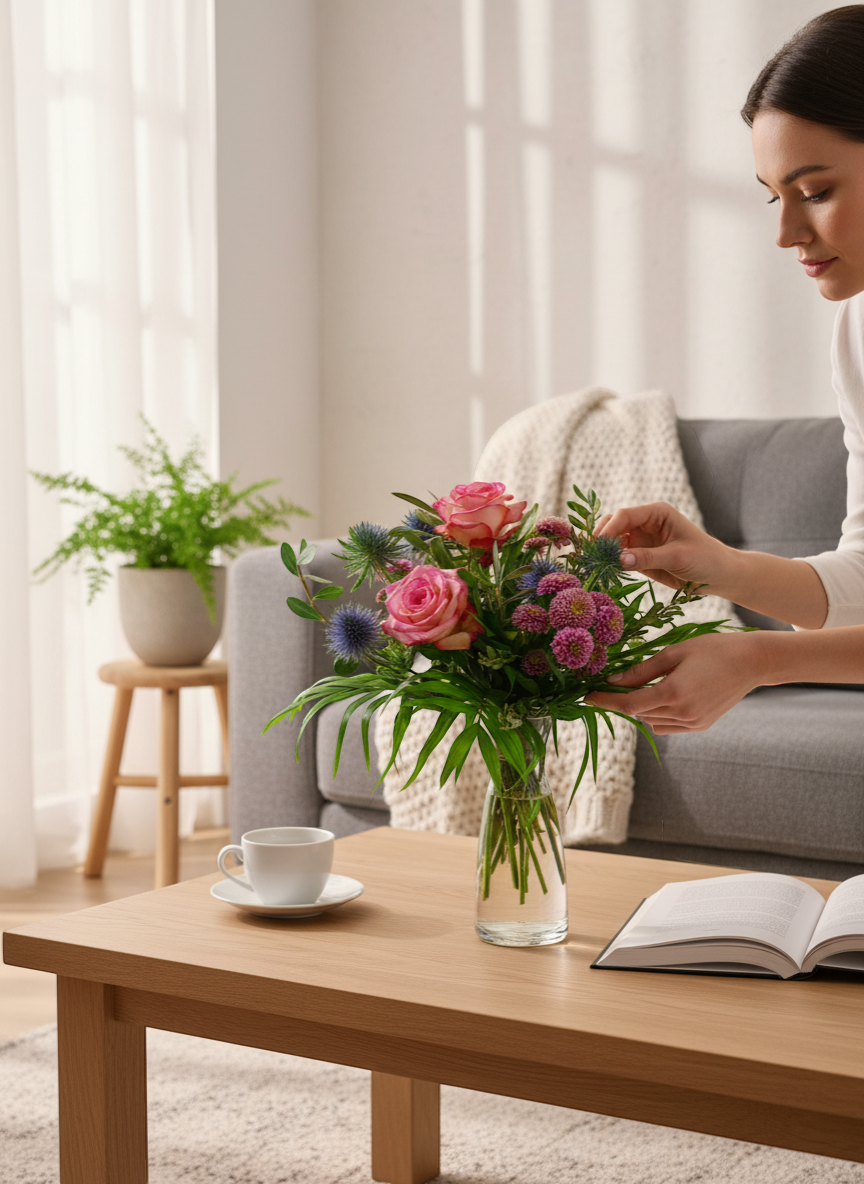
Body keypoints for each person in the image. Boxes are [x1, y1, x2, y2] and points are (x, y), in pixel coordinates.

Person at [587, 5, 864, 735]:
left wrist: (757, 659)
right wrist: (721, 565)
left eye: (815, 192)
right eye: (775, 196)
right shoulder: (858, 332)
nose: (785, 233)